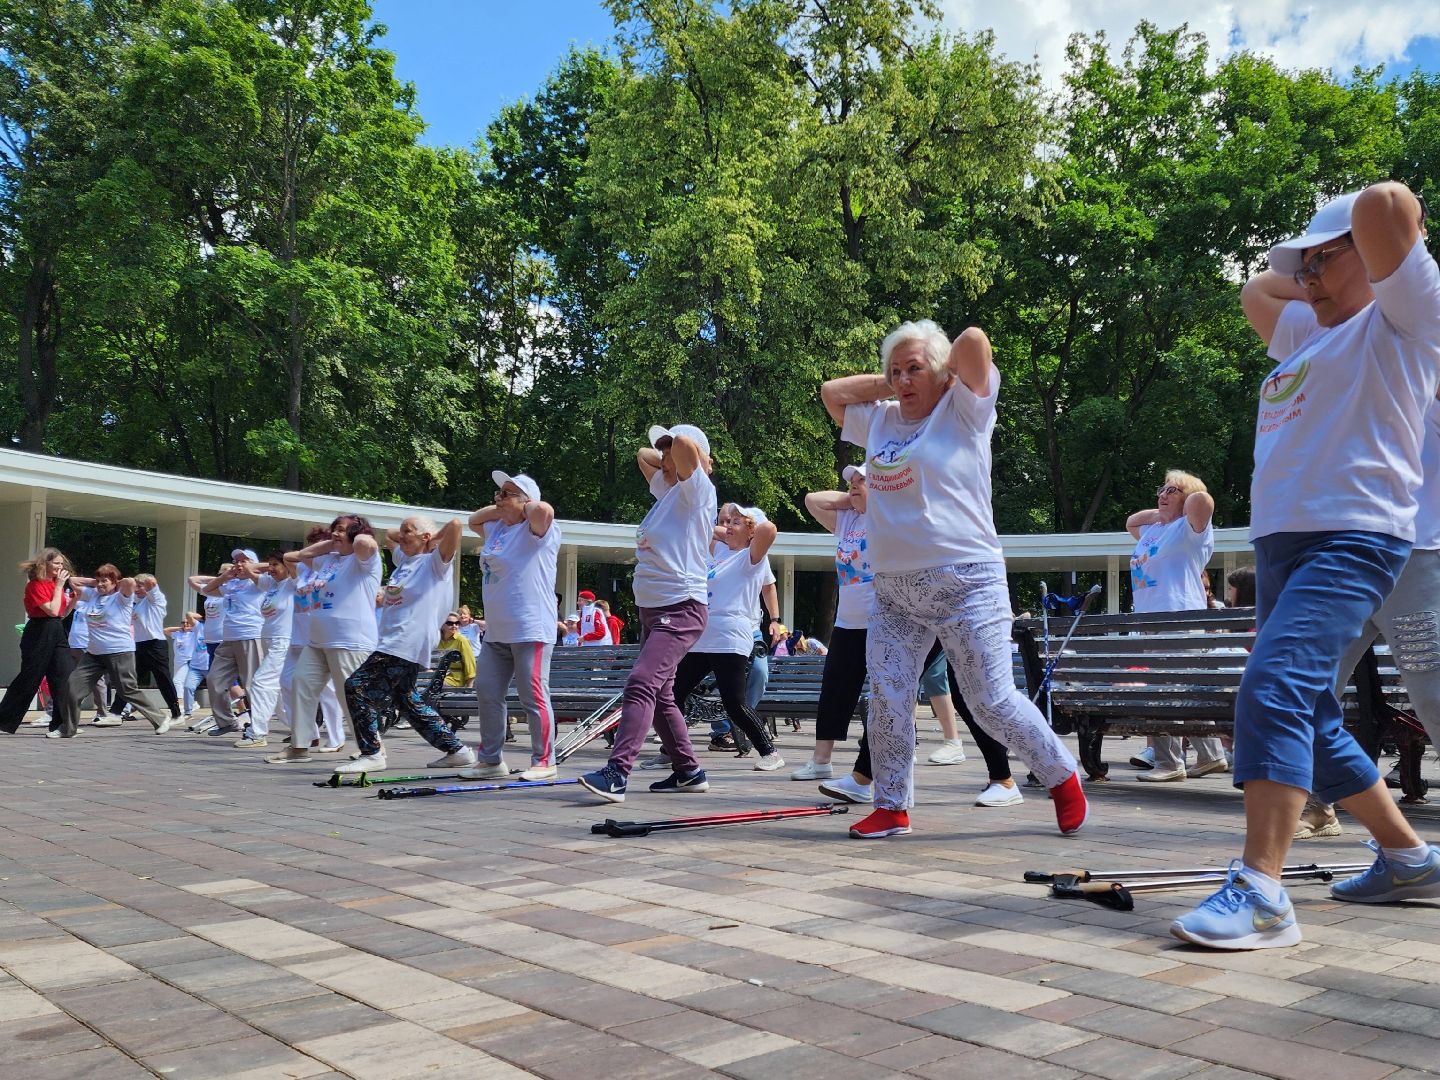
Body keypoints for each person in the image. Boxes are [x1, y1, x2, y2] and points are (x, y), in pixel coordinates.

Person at [1170, 182, 1440, 950]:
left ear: (1376, 260)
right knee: (1312, 711)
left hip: (1354, 537)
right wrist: (1321, 266)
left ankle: (1261, 891)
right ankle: (1410, 856)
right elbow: (1259, 287)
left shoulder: (1407, 319)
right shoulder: (1307, 335)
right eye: (1306, 265)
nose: (1308, 277)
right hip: (1283, 544)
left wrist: (1363, 256)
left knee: (1275, 685)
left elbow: (1388, 203)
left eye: (1322, 261)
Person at [821, 319, 1088, 838]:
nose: (902, 380)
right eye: (894, 371)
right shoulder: (880, 421)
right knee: (888, 697)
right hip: (895, 589)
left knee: (990, 700)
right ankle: (892, 806)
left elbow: (974, 339)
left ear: (944, 372)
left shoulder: (964, 407)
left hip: (966, 581)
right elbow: (832, 394)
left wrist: (938, 371)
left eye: (913, 369)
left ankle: (1061, 776)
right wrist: (892, 379)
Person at [578, 423, 716, 802]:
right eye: (664, 449)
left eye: (672, 448)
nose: (665, 454)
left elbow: (688, 447)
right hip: (653, 613)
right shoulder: (669, 492)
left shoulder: (698, 491)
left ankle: (617, 772)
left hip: (682, 609)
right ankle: (689, 770)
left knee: (641, 684)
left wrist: (688, 454)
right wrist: (668, 458)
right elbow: (643, 455)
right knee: (661, 695)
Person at [337, 516, 474, 774]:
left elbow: (455, 525)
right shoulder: (403, 559)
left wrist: (431, 539)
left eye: (407, 531)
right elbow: (389, 534)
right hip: (393, 639)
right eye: (402, 531)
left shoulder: (435, 563)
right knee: (407, 700)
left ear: (425, 538)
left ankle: (372, 752)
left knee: (356, 687)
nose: (400, 536)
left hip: (405, 640)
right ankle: (458, 751)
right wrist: (407, 532)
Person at [1125, 470, 1228, 782]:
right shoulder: (1154, 530)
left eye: (1171, 491)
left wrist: (1184, 494)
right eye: (1161, 489)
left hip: (1178, 616)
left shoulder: (1190, 529)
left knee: (1165, 691)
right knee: (1180, 689)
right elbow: (1131, 522)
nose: (1163, 495)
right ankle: (1211, 755)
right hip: (1152, 619)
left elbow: (1203, 499)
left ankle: (1169, 763)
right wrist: (1163, 509)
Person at [461, 471, 561, 782]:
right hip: (497, 631)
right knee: (487, 690)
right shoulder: (496, 529)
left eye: (506, 493)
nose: (497, 498)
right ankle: (490, 760)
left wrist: (523, 504)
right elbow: (472, 520)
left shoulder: (540, 530)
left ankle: (544, 761)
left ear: (526, 500)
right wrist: (507, 505)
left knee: (533, 696)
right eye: (497, 493)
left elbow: (544, 510)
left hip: (530, 628)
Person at [671, 503, 785, 771]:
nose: (728, 526)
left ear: (750, 531)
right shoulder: (721, 554)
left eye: (736, 522)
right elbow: (701, 529)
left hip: (731, 638)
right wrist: (731, 530)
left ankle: (771, 753)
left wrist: (746, 528)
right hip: (704, 637)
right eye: (727, 521)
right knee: (674, 693)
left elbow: (769, 529)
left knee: (734, 704)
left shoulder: (752, 558)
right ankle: (672, 749)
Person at [268, 515, 382, 764]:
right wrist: (333, 542)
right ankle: (299, 747)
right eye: (333, 529)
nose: (335, 534)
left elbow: (368, 544)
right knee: (301, 685)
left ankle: (372, 748)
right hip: (318, 640)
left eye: (342, 530)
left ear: (356, 532)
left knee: (351, 696)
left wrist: (352, 534)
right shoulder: (329, 561)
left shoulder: (364, 561)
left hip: (350, 640)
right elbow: (292, 558)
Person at [64, 565, 173, 735]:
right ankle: (68, 729)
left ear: (115, 582)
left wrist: (113, 583)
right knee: (72, 686)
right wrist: (98, 582)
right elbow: (72, 581)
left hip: (119, 651)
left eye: (104, 581)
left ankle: (159, 718)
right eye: (98, 580)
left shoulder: (121, 597)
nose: (100, 584)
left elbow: (129, 582)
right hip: (94, 653)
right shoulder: (92, 594)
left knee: (127, 690)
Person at [278, 527, 347, 754]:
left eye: (320, 542)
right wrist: (316, 549)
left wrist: (330, 547)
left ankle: (337, 738)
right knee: (288, 683)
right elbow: (287, 557)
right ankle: (311, 734)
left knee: (328, 691)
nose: (315, 547)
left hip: (320, 635)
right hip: (297, 635)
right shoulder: (305, 568)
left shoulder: (332, 567)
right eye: (312, 543)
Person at [0, 548, 77, 737]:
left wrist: (74, 600)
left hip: (57, 629)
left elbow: (61, 613)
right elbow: (50, 610)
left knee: (64, 676)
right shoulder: (36, 585)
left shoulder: (55, 584)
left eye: (61, 564)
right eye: (56, 563)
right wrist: (59, 587)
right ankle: (4, 719)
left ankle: (63, 724)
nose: (60, 567)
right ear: (46, 564)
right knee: (30, 678)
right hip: (39, 631)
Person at [201, 548, 268, 737]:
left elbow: (272, 566)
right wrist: (225, 577)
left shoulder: (260, 582)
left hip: (250, 635)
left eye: (243, 560)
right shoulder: (231, 584)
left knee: (251, 683)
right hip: (229, 637)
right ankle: (228, 722)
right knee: (214, 679)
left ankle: (258, 726)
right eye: (236, 561)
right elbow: (206, 590)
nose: (238, 564)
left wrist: (251, 569)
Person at [129, 575, 182, 723]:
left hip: (155, 644)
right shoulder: (136, 601)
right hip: (139, 644)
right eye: (136, 586)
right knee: (128, 678)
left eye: (140, 586)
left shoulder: (156, 599)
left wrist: (145, 583)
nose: (137, 589)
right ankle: (116, 712)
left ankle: (177, 713)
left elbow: (152, 583)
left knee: (163, 679)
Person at [164, 613, 201, 718]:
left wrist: (192, 622)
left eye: (187, 623)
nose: (185, 624)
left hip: (188, 662)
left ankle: (181, 704)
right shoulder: (178, 634)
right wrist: (179, 628)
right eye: (183, 623)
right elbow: (165, 630)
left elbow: (200, 618)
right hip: (178, 662)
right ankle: (192, 703)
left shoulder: (194, 633)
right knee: (184, 684)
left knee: (177, 681)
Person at [438, 612, 478, 687]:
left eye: (457, 623)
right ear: (442, 625)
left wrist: (469, 687)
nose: (454, 626)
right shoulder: (436, 640)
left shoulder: (461, 640)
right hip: (436, 677)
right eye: (450, 623)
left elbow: (469, 665)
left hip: (454, 679)